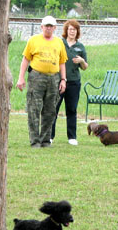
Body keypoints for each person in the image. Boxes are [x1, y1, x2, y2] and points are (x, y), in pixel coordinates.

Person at [16, 15, 68, 148]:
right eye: (46, 26)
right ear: (42, 27)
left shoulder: (59, 42)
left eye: (51, 26)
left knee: (50, 110)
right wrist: (21, 78)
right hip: (36, 77)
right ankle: (35, 141)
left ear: (55, 28)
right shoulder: (33, 40)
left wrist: (63, 79)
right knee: (34, 109)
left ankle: (45, 139)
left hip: (53, 78)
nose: (49, 28)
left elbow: (62, 62)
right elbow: (25, 60)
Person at [51, 19, 88, 146]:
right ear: (66, 30)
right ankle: (50, 136)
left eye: (74, 29)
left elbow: (85, 67)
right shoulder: (59, 43)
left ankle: (72, 137)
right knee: (53, 108)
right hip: (58, 80)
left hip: (74, 82)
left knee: (71, 109)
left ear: (77, 32)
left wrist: (82, 61)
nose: (72, 32)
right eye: (70, 29)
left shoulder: (80, 47)